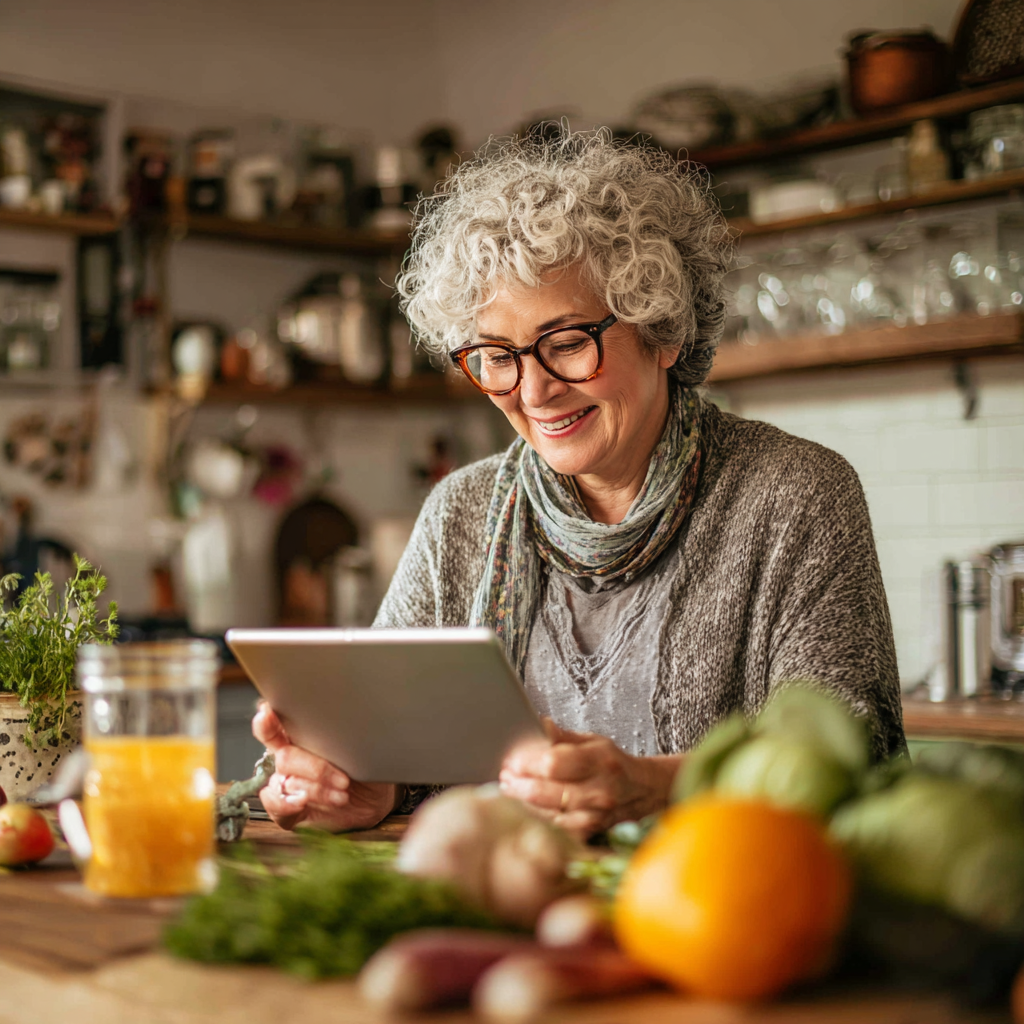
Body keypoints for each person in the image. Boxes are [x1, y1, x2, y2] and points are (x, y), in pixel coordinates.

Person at [253, 130, 905, 837]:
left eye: (566, 344)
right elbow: (388, 745)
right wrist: (369, 788)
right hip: (503, 912)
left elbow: (847, 764)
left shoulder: (796, 495)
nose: (533, 390)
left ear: (662, 331)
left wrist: (655, 786)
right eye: (495, 356)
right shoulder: (462, 512)